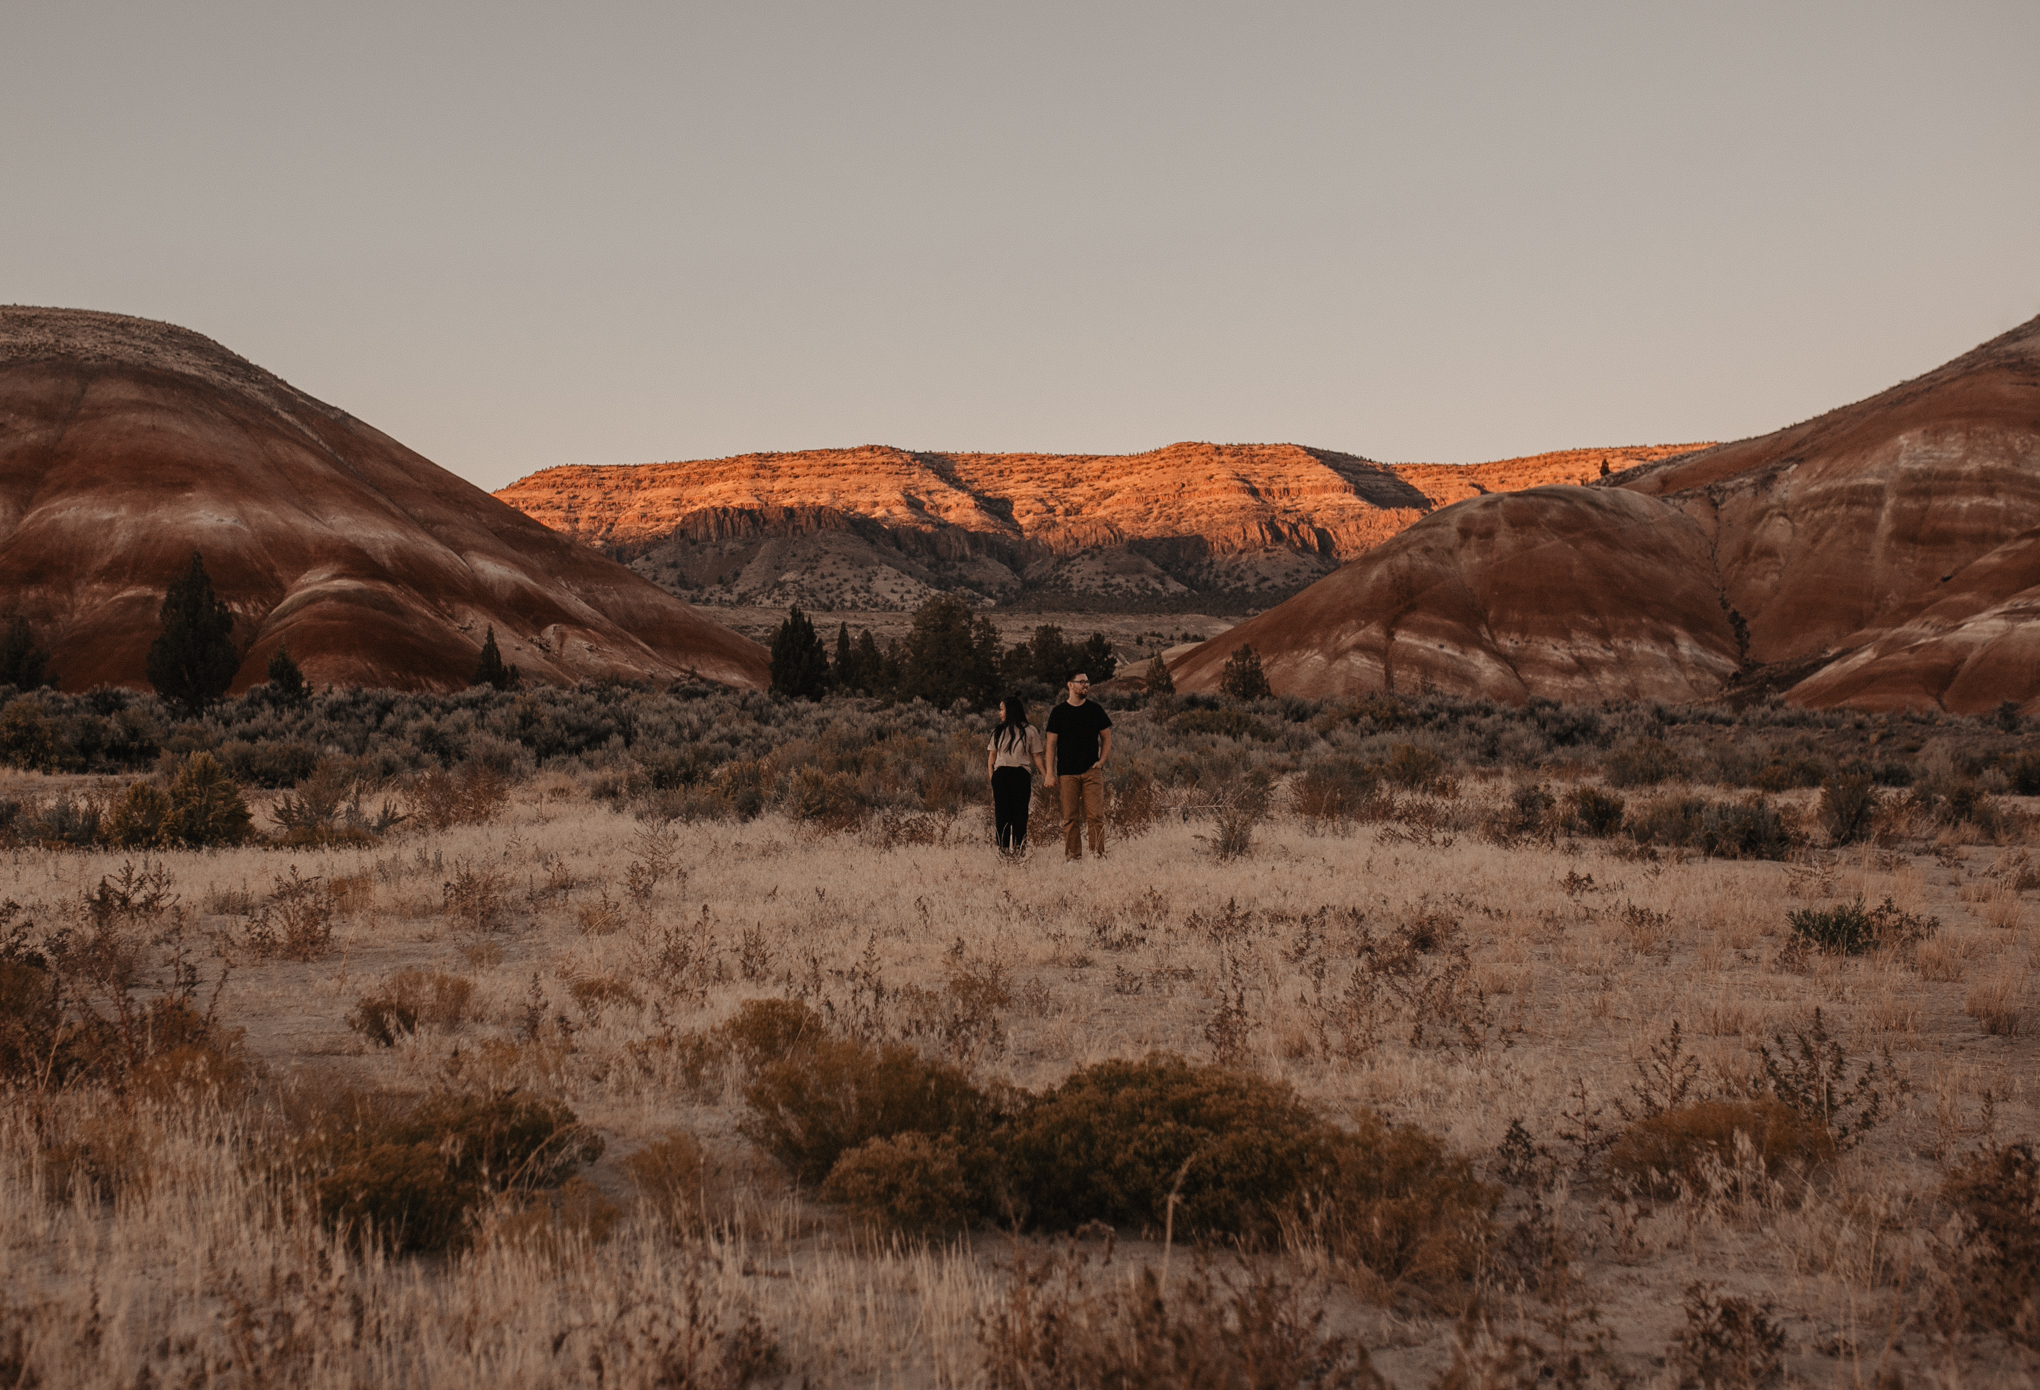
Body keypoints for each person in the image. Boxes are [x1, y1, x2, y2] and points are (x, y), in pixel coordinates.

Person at [1044, 671, 1113, 860]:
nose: (1086, 685)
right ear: (1070, 685)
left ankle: (1098, 855)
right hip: (1067, 773)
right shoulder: (1058, 712)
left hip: (1092, 771)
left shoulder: (1095, 710)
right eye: (1081, 682)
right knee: (1070, 818)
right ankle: (1073, 857)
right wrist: (1049, 773)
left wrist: (1102, 760)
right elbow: (1050, 745)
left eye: (1087, 682)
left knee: (1095, 817)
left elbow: (1106, 737)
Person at [986, 695, 1046, 855]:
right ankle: (1003, 850)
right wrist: (993, 779)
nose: (999, 713)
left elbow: (1036, 756)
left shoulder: (1030, 731)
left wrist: (1046, 775)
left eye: (1002, 709)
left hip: (1021, 775)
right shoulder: (998, 731)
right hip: (1001, 775)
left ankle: (1020, 849)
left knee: (1020, 814)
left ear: (1011, 710)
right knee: (1002, 815)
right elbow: (992, 757)